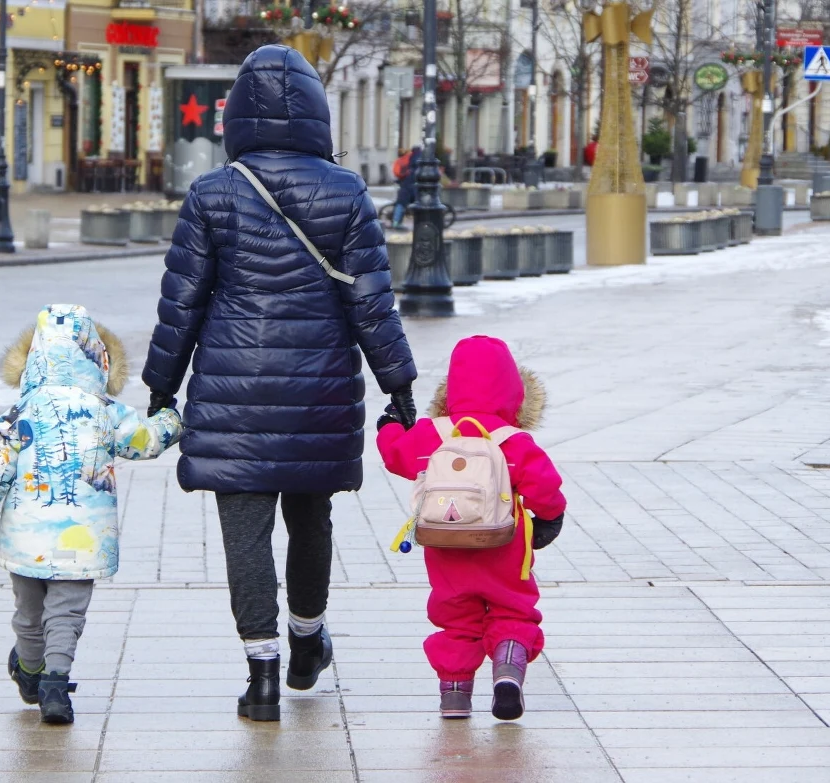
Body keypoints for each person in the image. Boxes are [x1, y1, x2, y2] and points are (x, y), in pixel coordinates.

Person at [142, 45, 418, 723]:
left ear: (237, 114)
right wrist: (398, 382)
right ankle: (305, 640)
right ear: (318, 114)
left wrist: (160, 385)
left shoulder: (212, 192)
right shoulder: (347, 191)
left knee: (244, 530)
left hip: (232, 393)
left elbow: (183, 301)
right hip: (318, 388)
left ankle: (260, 671)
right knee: (310, 519)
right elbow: (372, 303)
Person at [0, 304, 182, 724]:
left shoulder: (18, 412)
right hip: (81, 538)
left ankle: (29, 671)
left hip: (26, 537)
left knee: (29, 613)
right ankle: (56, 687)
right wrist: (172, 419)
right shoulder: (105, 411)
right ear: (98, 359)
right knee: (66, 612)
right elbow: (145, 441)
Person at [376, 336, 566, 720]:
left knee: (455, 617)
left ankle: (455, 696)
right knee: (513, 609)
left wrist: (389, 427)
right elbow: (545, 485)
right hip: (502, 544)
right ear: (515, 390)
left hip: (445, 546)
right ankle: (508, 672)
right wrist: (549, 519)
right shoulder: (512, 440)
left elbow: (397, 456)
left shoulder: (436, 434)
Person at [391, 145, 422, 228]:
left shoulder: (405, 160)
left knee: (401, 203)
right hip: (411, 186)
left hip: (404, 184)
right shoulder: (416, 160)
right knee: (415, 203)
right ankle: (397, 222)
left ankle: (396, 222)